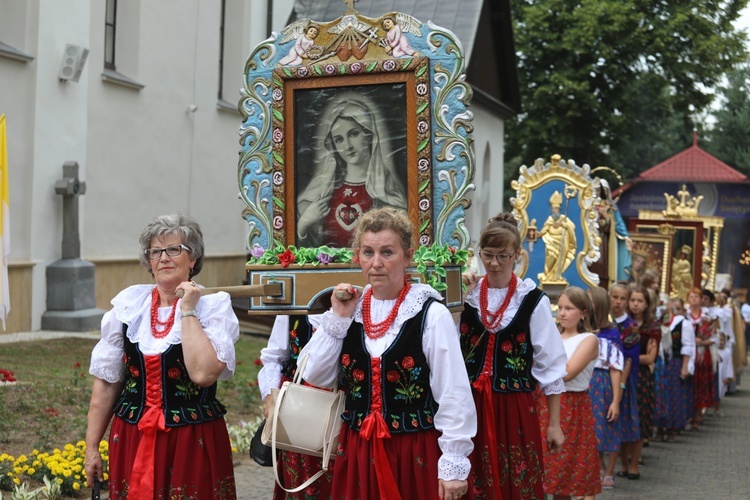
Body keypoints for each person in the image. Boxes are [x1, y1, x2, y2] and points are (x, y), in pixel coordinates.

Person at [299, 207, 476, 499]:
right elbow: (316, 375)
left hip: (413, 453)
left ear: (407, 257)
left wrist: (453, 463)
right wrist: (338, 319)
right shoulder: (349, 311)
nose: (377, 263)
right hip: (357, 453)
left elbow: (453, 393)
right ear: (357, 257)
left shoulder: (430, 315)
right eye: (368, 252)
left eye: (387, 252)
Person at [84, 214, 240, 498]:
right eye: (155, 251)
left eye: (174, 249)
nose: (163, 258)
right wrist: (92, 447)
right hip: (132, 436)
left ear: (192, 259)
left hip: (191, 439)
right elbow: (106, 385)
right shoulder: (129, 306)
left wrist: (189, 310)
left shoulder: (213, 307)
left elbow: (203, 374)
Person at [460, 213, 567, 499]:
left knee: (515, 481)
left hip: (514, 407)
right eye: (488, 255)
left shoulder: (532, 300)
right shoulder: (466, 296)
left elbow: (551, 366)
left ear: (517, 255)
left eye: (503, 256)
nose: (494, 263)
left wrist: (554, 425)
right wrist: (457, 296)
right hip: (468, 406)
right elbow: (441, 341)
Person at [296, 97, 407, 248]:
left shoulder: (389, 194)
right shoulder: (322, 195)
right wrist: (303, 224)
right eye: (339, 139)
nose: (347, 146)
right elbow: (302, 253)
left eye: (353, 134)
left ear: (368, 135)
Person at [258, 314, 333, 498]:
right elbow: (274, 355)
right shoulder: (295, 301)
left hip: (343, 409)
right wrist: (271, 397)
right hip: (298, 408)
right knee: (300, 479)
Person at [538, 287, 600, 499]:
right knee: (544, 470)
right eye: (560, 308)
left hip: (571, 407)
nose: (562, 313)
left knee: (563, 472)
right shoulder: (552, 335)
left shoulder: (588, 340)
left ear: (583, 312)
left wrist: (540, 367)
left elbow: (567, 373)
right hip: (543, 403)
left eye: (569, 308)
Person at [620, 284, 660, 480]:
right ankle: (623, 463)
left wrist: (629, 356)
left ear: (646, 304)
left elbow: (650, 358)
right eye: (632, 300)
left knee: (639, 420)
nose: (635, 304)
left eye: (639, 301)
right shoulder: (622, 324)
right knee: (622, 419)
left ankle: (634, 464)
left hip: (642, 378)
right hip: (622, 377)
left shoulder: (651, 328)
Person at [587, 286, 624, 490]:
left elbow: (616, 369)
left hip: (604, 386)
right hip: (587, 384)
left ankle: (609, 471)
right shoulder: (584, 330)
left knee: (609, 427)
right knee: (593, 431)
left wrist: (616, 400)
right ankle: (598, 467)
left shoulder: (611, 334)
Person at [608, 282, 640, 480]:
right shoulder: (604, 320)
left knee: (626, 421)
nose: (618, 302)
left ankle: (628, 463)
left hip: (624, 381)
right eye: (615, 297)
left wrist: (620, 384)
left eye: (622, 298)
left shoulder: (630, 326)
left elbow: (629, 358)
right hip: (603, 380)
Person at [654, 297, 695, 442]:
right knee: (661, 396)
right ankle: (659, 428)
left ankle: (672, 429)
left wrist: (685, 367)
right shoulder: (659, 324)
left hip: (675, 363)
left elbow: (688, 346)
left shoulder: (683, 324)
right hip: (661, 363)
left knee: (674, 396)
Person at [686, 287, 718, 431]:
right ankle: (687, 413)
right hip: (687, 352)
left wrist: (702, 342)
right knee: (689, 383)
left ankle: (697, 415)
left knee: (701, 383)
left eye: (696, 297)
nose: (694, 300)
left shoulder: (707, 317)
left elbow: (715, 337)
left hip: (702, 353)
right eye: (691, 297)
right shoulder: (684, 315)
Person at [537, 190, 577, 282]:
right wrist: (539, 234)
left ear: (559, 209)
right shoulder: (550, 219)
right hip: (551, 241)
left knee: (560, 260)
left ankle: (556, 276)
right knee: (550, 257)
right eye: (553, 208)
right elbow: (545, 228)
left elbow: (572, 226)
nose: (555, 210)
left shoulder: (563, 218)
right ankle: (548, 275)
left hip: (562, 243)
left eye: (557, 209)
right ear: (551, 209)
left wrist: (562, 224)